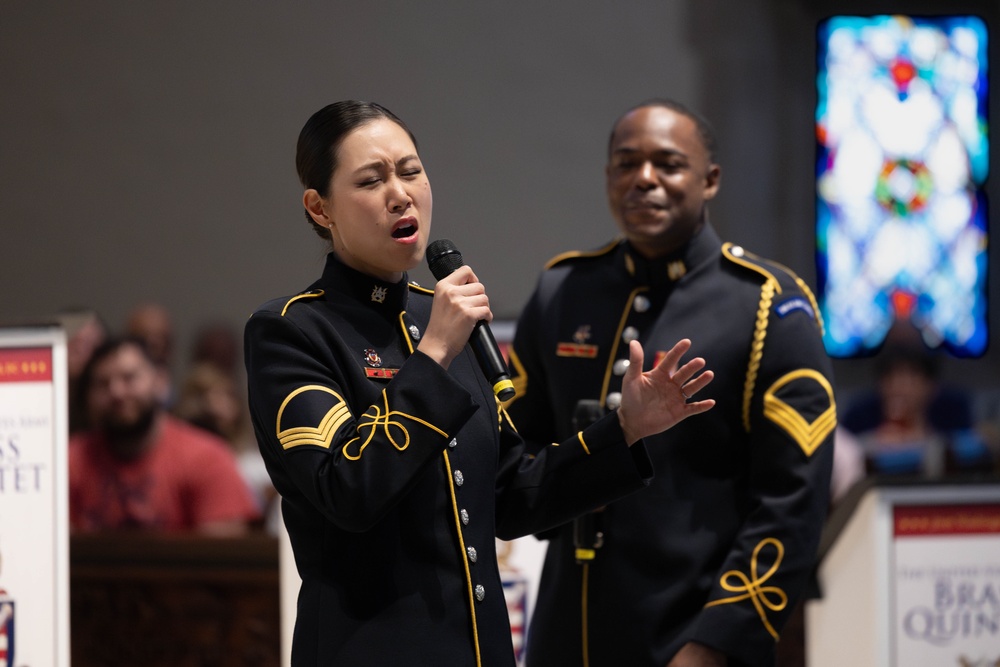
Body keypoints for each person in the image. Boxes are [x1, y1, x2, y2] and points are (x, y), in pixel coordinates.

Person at [243, 100, 716, 667]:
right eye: (371, 180)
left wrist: (626, 430)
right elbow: (350, 491)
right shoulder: (293, 332)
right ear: (320, 209)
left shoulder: (442, 315)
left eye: (411, 170)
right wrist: (436, 352)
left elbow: (512, 497)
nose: (401, 194)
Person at [504, 99, 836, 667]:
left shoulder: (766, 305)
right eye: (626, 163)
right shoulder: (563, 290)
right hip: (567, 631)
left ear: (710, 180)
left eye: (668, 163)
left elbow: (792, 500)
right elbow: (519, 456)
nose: (644, 179)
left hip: (689, 638)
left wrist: (719, 641)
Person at [68, 337, 260, 534]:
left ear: (160, 381)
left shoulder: (208, 458)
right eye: (102, 383)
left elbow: (226, 555)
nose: (116, 392)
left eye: (129, 378)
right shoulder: (69, 462)